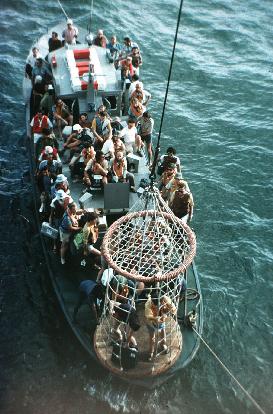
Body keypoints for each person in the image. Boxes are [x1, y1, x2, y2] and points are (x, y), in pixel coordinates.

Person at [145, 290, 176, 361]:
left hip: (161, 319)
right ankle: (151, 352)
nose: (157, 306)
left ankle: (163, 344)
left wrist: (167, 311)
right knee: (152, 338)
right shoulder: (148, 304)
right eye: (155, 305)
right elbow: (148, 316)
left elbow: (174, 310)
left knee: (162, 331)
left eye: (160, 304)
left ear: (162, 300)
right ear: (152, 302)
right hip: (151, 322)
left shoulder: (166, 299)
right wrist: (155, 318)